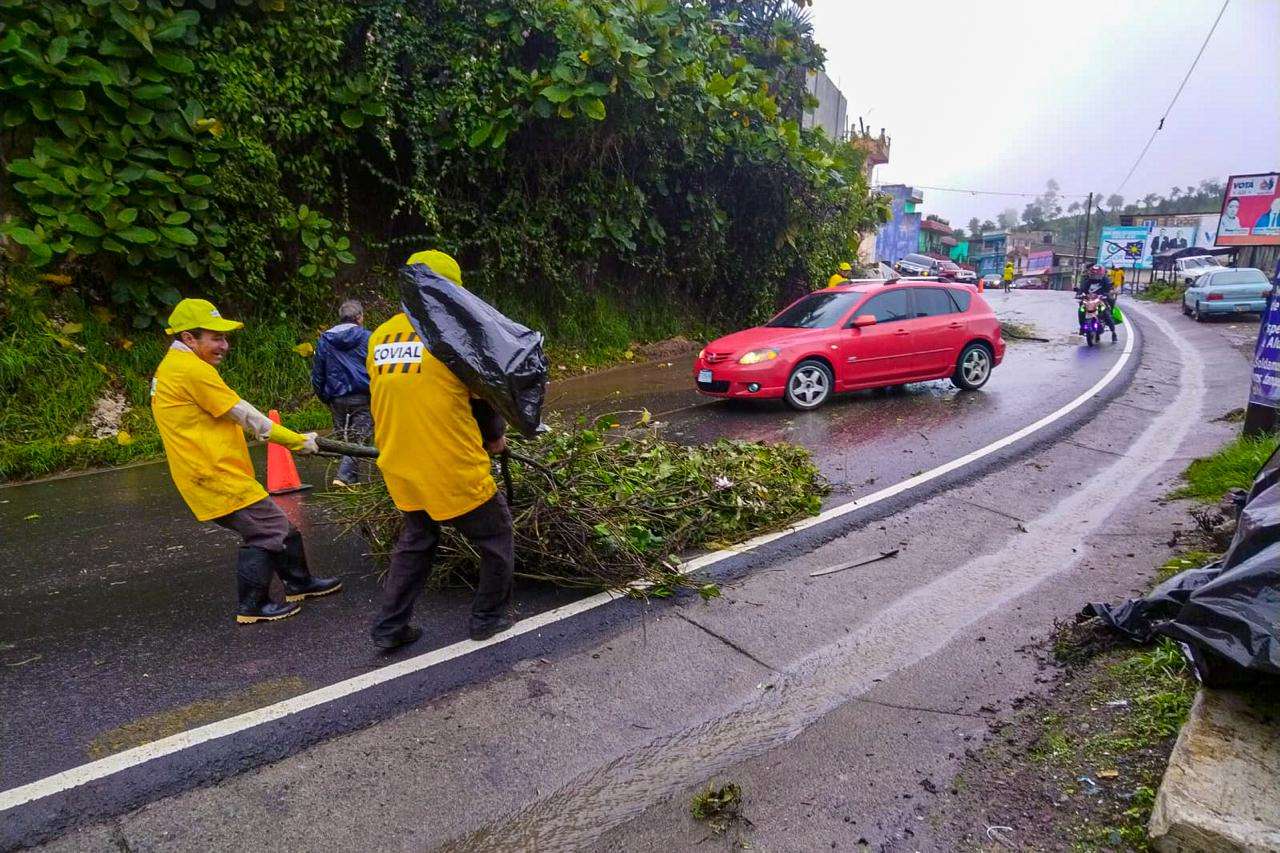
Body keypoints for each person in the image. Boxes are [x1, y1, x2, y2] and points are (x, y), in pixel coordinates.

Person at [151, 299, 342, 624]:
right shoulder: (191, 371)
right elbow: (248, 417)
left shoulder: (174, 367)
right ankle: (252, 606)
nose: (224, 345)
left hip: (213, 471)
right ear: (189, 338)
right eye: (216, 338)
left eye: (225, 338)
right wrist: (298, 442)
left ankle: (299, 583)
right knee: (266, 532)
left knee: (281, 527)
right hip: (213, 474)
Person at [366, 250, 515, 651]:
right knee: (497, 537)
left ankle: (389, 628)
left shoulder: (380, 337)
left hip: (400, 465)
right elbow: (483, 399)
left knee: (416, 541)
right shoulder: (448, 338)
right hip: (451, 466)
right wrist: (495, 437)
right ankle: (486, 619)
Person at [311, 299, 372, 487]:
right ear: (360, 317)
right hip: (363, 395)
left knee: (343, 438)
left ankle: (350, 480)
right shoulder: (369, 337)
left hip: (336, 397)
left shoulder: (325, 339)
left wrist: (324, 396)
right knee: (359, 439)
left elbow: (318, 372)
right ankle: (343, 478)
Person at [1075, 265, 1117, 342]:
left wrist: (1107, 294)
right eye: (1093, 274)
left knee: (1107, 313)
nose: (1095, 276)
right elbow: (1082, 289)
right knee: (1081, 310)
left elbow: (1109, 289)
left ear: (1102, 274)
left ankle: (1113, 331)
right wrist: (1079, 294)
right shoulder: (1087, 280)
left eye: (1097, 274)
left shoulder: (1105, 280)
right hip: (1089, 300)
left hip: (1100, 300)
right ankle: (1082, 327)